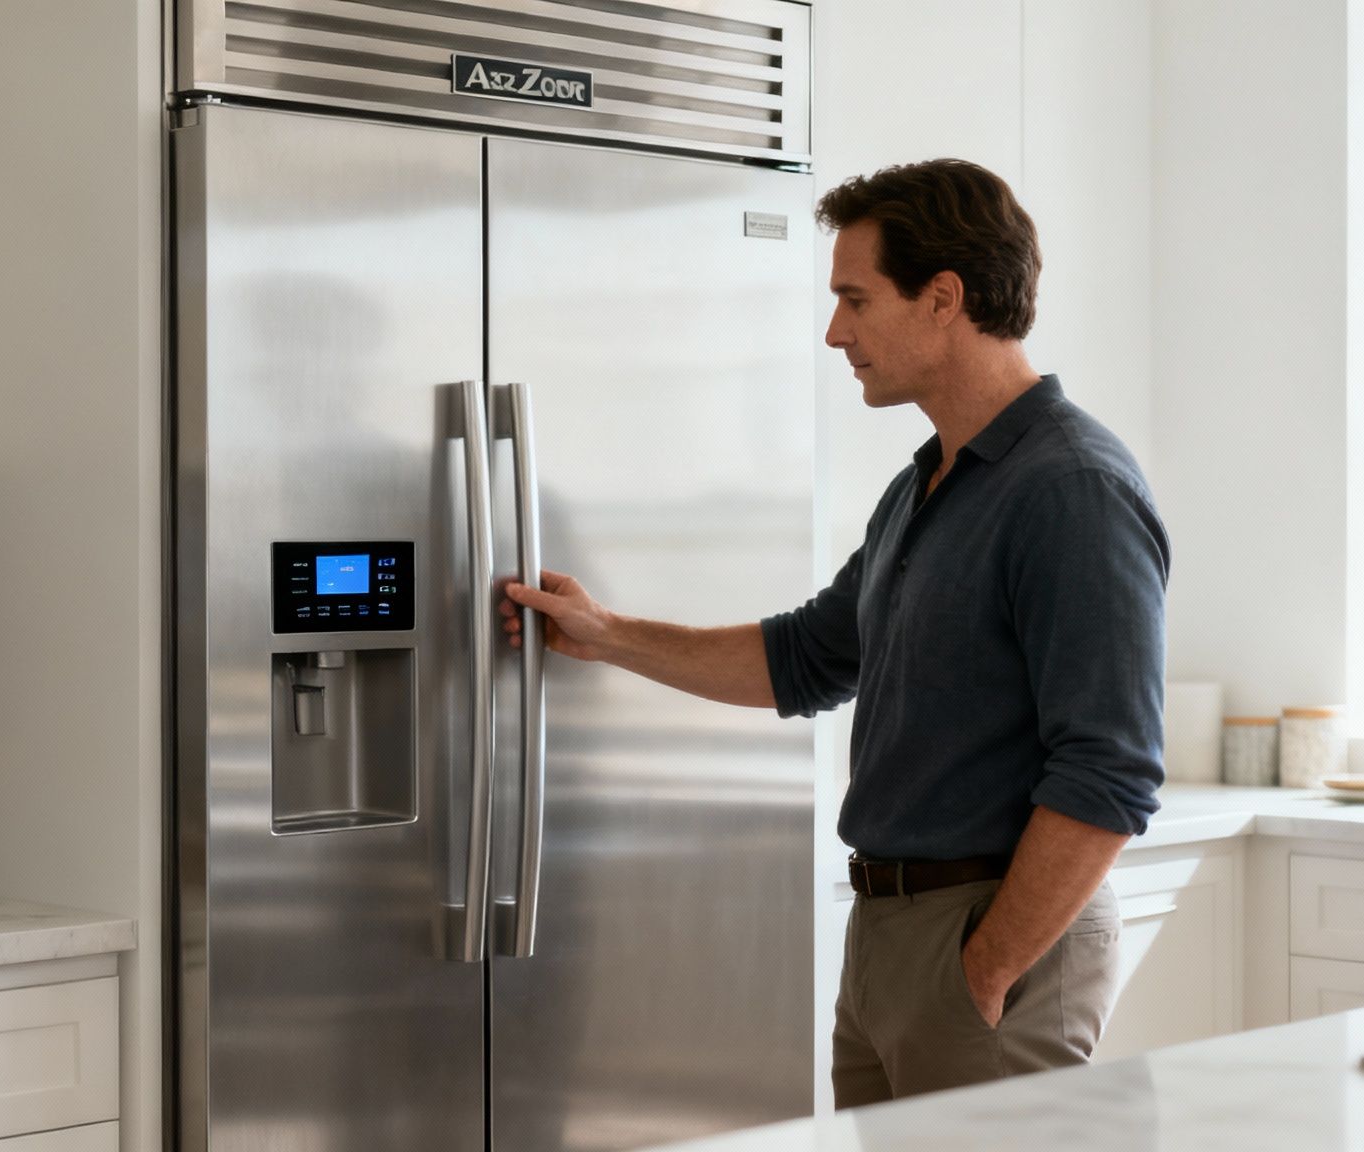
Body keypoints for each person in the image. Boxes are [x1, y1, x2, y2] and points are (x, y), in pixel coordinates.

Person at [500, 158, 1169, 1106]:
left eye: (855, 300)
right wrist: (605, 633)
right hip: (890, 935)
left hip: (989, 941)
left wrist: (983, 969)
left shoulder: (1071, 490)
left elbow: (1110, 774)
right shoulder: (929, 484)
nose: (834, 331)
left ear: (943, 298)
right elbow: (806, 658)